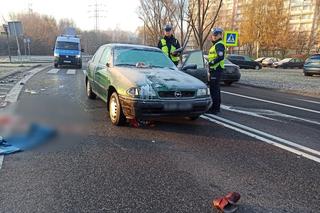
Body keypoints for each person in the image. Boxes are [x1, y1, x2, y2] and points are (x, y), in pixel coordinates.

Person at [207, 28, 226, 114]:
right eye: (213, 35)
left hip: (216, 69)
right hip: (214, 70)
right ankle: (214, 107)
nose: (214, 36)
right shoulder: (215, 45)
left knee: (214, 90)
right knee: (214, 89)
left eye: (216, 35)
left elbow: (220, 57)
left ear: (220, 35)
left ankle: (215, 109)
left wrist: (211, 63)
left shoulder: (219, 44)